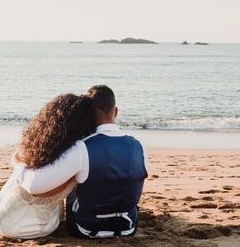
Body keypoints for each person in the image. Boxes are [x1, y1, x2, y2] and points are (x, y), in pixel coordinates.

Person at [21, 85, 149, 238]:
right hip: (127, 227)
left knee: (75, 180)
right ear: (116, 112)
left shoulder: (82, 148)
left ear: (88, 116)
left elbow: (34, 186)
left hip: (85, 228)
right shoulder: (138, 146)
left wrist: (20, 165)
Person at [0, 93, 95, 239]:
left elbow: (17, 161)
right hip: (29, 226)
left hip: (17, 215)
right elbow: (34, 185)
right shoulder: (76, 153)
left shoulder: (40, 145)